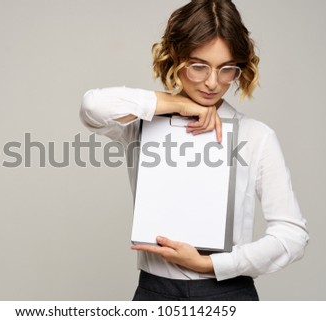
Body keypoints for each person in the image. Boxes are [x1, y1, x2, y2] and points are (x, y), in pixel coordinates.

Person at [80, 0, 309, 301]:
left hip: (228, 293)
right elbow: (93, 106)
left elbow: (292, 235)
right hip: (154, 292)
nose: (212, 83)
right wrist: (179, 104)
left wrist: (211, 264)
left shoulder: (256, 136)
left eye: (226, 69)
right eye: (199, 66)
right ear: (175, 57)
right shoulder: (141, 125)